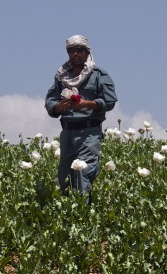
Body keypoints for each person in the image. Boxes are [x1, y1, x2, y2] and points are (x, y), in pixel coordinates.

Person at [45, 35, 118, 204]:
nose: (75, 54)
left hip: (89, 131)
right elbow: (50, 102)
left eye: (79, 50)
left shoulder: (99, 75)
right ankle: (69, 217)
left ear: (87, 52)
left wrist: (86, 104)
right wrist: (58, 107)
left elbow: (110, 101)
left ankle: (82, 216)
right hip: (68, 132)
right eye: (71, 51)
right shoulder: (61, 76)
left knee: (82, 173)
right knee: (65, 178)